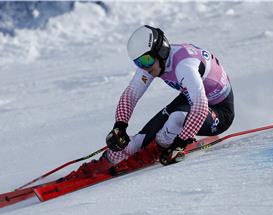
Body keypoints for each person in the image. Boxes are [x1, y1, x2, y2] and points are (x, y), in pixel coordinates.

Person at [66, 25, 234, 179]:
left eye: (145, 61)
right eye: (138, 62)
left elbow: (200, 108)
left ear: (160, 52)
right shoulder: (155, 63)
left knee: (175, 119)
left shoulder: (185, 66)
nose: (144, 67)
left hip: (219, 110)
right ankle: (102, 164)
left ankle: (158, 149)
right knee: (135, 142)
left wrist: (180, 144)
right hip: (192, 98)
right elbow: (131, 95)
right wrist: (120, 126)